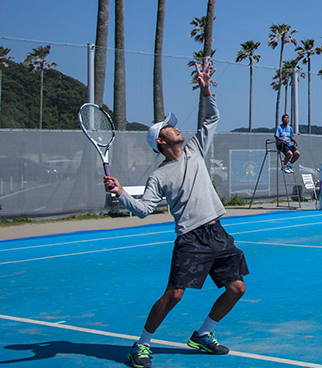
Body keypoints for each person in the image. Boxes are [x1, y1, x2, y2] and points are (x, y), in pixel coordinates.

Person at [103, 60, 248, 368]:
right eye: (168, 126)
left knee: (237, 288)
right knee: (174, 295)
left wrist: (206, 87)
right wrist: (121, 193)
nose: (175, 127)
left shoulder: (195, 149)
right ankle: (141, 344)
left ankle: (203, 334)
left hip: (217, 232)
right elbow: (143, 210)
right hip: (191, 239)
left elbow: (213, 116)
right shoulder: (159, 176)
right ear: (161, 140)